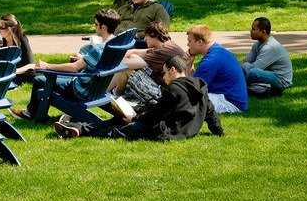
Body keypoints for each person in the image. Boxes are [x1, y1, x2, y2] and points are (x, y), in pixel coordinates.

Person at [54, 55, 224, 141]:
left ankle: (79, 129)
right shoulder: (200, 86)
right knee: (121, 119)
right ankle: (78, 127)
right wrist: (219, 131)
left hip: (167, 132)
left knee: (121, 129)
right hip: (182, 130)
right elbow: (210, 112)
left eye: (165, 72)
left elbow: (156, 115)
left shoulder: (174, 89)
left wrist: (135, 118)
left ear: (173, 70)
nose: (163, 77)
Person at [12, 9, 121, 122]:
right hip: (98, 89)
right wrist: (84, 59)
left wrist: (47, 66)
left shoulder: (99, 49)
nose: (95, 27)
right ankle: (37, 114)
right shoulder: (117, 45)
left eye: (96, 24)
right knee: (50, 79)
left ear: (103, 27)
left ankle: (30, 113)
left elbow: (74, 68)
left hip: (80, 90)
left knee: (39, 80)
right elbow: (96, 63)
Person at [110, 21, 187, 110]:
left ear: (153, 35)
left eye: (146, 36)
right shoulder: (168, 45)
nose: (145, 39)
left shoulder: (161, 52)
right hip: (175, 90)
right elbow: (134, 52)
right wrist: (119, 55)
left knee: (127, 69)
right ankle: (114, 92)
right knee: (133, 59)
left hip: (164, 94)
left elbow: (126, 64)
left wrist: (110, 60)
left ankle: (114, 95)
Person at [185, 24, 248, 114]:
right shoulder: (217, 51)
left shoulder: (211, 60)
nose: (188, 44)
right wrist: (189, 65)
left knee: (186, 101)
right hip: (227, 98)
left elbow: (193, 89)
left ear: (199, 42)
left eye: (190, 41)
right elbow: (194, 84)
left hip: (230, 103)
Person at [242, 17, 293, 96]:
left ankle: (239, 86)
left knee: (253, 72)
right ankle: (257, 88)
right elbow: (246, 62)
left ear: (263, 31)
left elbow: (255, 68)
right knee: (246, 68)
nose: (251, 31)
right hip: (267, 74)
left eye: (254, 29)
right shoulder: (257, 45)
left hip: (280, 80)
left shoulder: (270, 47)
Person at [0, 13, 35, 82]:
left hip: (21, 75)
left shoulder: (22, 40)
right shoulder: (2, 41)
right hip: (7, 74)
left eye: (2, 27)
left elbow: (31, 65)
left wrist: (14, 71)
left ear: (12, 28)